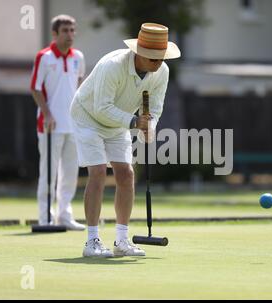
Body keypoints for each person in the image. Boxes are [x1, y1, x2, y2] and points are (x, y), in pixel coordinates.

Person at [70, 23, 181, 257]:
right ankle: (92, 242)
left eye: (161, 58)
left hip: (119, 123)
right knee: (98, 171)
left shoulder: (162, 72)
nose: (158, 63)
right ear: (139, 53)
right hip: (88, 117)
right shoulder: (113, 66)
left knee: (126, 174)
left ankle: (121, 241)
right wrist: (134, 122)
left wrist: (149, 127)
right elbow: (101, 108)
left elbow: (156, 108)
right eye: (153, 58)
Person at [30, 15, 86, 231]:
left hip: (73, 125)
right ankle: (45, 216)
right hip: (49, 125)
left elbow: (79, 83)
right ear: (54, 33)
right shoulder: (44, 57)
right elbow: (35, 88)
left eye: (72, 30)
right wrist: (48, 114)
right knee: (48, 173)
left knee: (70, 173)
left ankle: (64, 215)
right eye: (65, 31)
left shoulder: (78, 57)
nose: (70, 35)